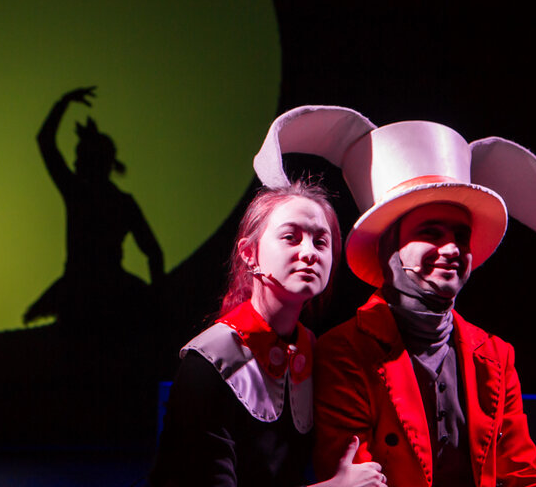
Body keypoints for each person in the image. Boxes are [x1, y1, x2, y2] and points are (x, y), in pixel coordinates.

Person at [251, 106, 536, 487]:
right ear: (389, 248)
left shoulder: (496, 356)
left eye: (461, 236)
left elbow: (521, 474)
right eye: (431, 232)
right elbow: (355, 477)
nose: (452, 249)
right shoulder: (345, 352)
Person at [151, 180, 386, 487]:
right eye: (291, 237)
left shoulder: (314, 349)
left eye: (321, 242)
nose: (309, 253)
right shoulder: (210, 361)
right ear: (249, 252)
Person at [23, 86, 164, 326]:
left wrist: (64, 102)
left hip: (79, 290)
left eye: (79, 156)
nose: (75, 162)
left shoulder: (78, 193)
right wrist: (158, 295)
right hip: (111, 286)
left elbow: (45, 142)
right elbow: (153, 252)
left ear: (92, 160)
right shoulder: (122, 202)